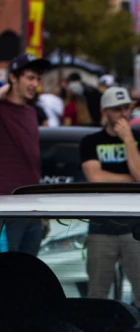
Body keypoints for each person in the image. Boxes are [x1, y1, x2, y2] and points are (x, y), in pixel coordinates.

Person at [79, 86, 140, 307]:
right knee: (96, 294)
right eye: (117, 109)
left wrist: (128, 139)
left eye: (127, 108)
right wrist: (134, 178)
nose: (123, 114)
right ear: (105, 111)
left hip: (138, 227)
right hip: (102, 226)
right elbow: (95, 177)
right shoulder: (90, 142)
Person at [0, 53, 51, 254]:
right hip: (6, 206)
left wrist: (40, 212)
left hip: (32, 206)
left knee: (28, 273)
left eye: (38, 79)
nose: (35, 84)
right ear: (13, 78)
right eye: (30, 78)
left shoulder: (32, 112)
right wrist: (3, 89)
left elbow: (32, 163)